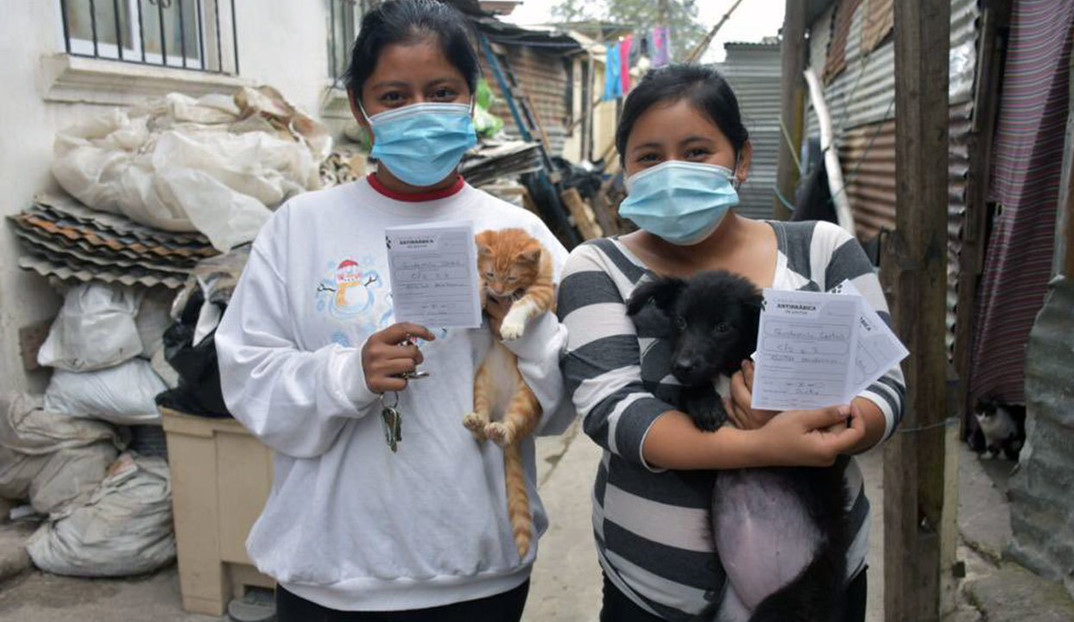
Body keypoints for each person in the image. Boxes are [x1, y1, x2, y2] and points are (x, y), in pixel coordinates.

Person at [215, 1, 571, 619]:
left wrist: (521, 334)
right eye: (394, 96)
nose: (420, 112)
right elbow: (248, 379)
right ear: (360, 107)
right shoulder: (302, 228)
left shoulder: (518, 234)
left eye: (440, 92)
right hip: (331, 573)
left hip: (475, 571)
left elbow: (569, 400)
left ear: (470, 100)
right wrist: (348, 374)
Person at [557, 64, 907, 622]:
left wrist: (833, 422)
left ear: (740, 160)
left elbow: (884, 382)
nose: (673, 170)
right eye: (649, 157)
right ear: (624, 170)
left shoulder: (822, 249)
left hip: (814, 581)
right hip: (652, 594)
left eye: (697, 151)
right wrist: (768, 444)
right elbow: (612, 411)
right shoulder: (596, 265)